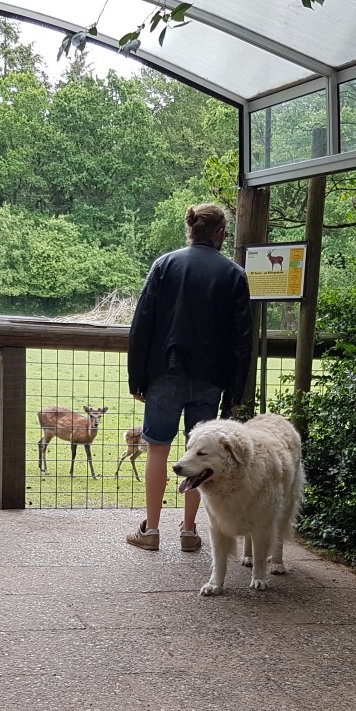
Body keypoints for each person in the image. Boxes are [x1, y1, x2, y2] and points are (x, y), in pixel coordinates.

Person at [126, 202, 253, 551]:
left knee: (157, 449)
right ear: (220, 234)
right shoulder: (234, 275)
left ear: (191, 229)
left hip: (166, 373)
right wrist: (236, 392)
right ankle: (189, 530)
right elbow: (243, 342)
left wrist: (137, 378)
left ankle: (150, 531)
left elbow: (142, 327)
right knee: (201, 455)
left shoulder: (164, 265)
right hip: (212, 379)